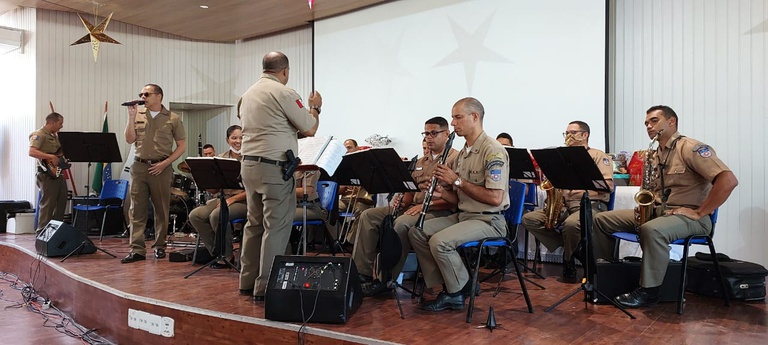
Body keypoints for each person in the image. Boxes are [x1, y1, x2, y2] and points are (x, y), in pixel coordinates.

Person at [592, 105, 738, 308]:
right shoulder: (654, 153)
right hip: (659, 212)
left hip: (691, 218)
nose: (649, 126)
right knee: (601, 219)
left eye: (654, 121)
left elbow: (728, 180)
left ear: (672, 122)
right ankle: (606, 275)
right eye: (646, 123)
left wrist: (700, 212)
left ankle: (649, 291)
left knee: (651, 230)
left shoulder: (690, 148)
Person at [408, 97, 510, 312]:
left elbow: (495, 199)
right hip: (464, 216)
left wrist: (456, 180)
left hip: (488, 219)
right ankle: (451, 285)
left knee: (440, 242)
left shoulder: (493, 150)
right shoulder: (463, 153)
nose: (453, 123)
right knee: (417, 231)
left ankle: (457, 292)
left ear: (475, 117)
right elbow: (458, 199)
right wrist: (442, 191)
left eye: (458, 117)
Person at [239, 51, 321, 302]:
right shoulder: (284, 93)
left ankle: (247, 280)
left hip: (249, 165)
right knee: (276, 227)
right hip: (274, 169)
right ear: (284, 71)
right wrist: (315, 108)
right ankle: (266, 286)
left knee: (254, 224)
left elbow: (270, 128)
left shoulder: (248, 94)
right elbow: (309, 127)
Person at [353, 117, 459, 296]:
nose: (429, 138)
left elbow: (456, 199)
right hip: (414, 207)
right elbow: (411, 190)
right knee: (369, 215)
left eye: (434, 133)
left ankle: (386, 279)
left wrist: (427, 204)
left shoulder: (455, 159)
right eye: (426, 134)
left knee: (401, 223)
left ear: (447, 134)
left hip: (438, 210)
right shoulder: (421, 162)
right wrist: (402, 200)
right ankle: (361, 274)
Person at [521, 121, 614, 283]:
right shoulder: (562, 158)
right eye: (566, 133)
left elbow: (609, 186)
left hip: (590, 205)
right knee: (530, 219)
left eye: (573, 132)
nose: (569, 136)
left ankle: (568, 258)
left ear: (585, 135)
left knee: (571, 225)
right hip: (565, 205)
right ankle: (575, 250)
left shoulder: (599, 156)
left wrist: (582, 188)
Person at [122, 84, 187, 263]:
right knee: (136, 209)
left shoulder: (172, 118)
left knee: (161, 209)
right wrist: (131, 117)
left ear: (158, 96)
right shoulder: (138, 115)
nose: (142, 97)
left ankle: (159, 246)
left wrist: (165, 163)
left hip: (161, 167)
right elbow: (129, 139)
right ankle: (137, 249)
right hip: (139, 167)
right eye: (141, 94)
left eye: (146, 94)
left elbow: (182, 146)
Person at [188, 125, 246, 268]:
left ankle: (227, 255)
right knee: (195, 215)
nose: (238, 141)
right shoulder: (220, 158)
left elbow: (254, 189)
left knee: (217, 215)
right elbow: (214, 189)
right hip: (223, 197)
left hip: (244, 200)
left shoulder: (250, 158)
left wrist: (232, 199)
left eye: (241, 137)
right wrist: (201, 177)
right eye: (234, 138)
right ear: (227, 140)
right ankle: (215, 252)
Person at [29, 112, 67, 233]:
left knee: (62, 201)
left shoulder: (55, 136)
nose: (62, 126)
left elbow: (58, 152)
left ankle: (55, 232)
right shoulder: (39, 134)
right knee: (48, 205)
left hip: (57, 173)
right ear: (52, 122)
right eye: (60, 123)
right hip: (46, 174)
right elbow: (32, 152)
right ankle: (42, 233)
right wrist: (50, 157)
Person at [338, 138, 375, 243]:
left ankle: (350, 241)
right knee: (328, 209)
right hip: (346, 199)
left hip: (361, 199)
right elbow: (340, 191)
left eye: (349, 148)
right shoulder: (342, 166)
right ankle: (337, 238)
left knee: (362, 211)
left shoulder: (366, 164)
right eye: (345, 149)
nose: (347, 151)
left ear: (357, 148)